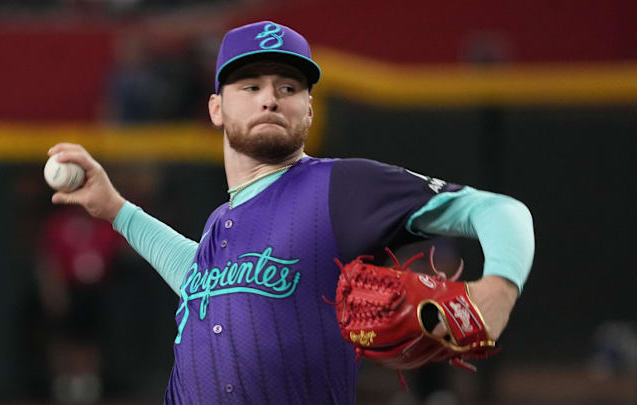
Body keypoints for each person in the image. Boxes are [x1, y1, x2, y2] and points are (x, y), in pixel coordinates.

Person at [47, 21, 534, 405]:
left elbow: (501, 211)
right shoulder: (222, 220)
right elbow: (203, 280)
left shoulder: (341, 186)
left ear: (309, 108)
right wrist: (116, 209)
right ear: (216, 108)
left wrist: (498, 290)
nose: (269, 97)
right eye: (250, 85)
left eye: (288, 86)